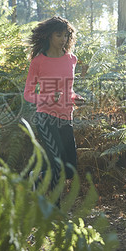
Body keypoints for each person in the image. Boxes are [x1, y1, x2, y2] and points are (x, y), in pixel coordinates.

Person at [23, 16, 85, 189]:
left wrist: (75, 98)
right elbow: (28, 94)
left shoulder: (71, 59)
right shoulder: (38, 62)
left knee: (70, 169)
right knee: (56, 166)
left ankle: (37, 178)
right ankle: (55, 211)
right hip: (46, 118)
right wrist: (48, 98)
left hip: (66, 117)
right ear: (50, 36)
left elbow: (68, 89)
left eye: (66, 35)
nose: (63, 39)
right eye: (59, 35)